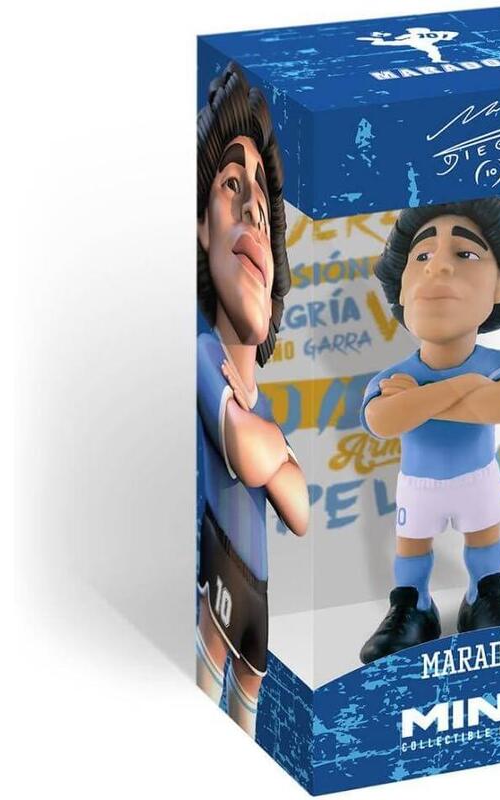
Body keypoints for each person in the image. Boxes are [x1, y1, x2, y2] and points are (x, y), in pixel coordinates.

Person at [358, 198, 500, 664]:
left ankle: (486, 595)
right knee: (411, 548)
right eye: (421, 256)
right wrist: (465, 386)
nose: (438, 267)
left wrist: (417, 400)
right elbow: (382, 421)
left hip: (477, 480)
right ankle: (412, 605)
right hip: (418, 485)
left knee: (485, 540)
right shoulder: (395, 374)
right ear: (402, 288)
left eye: (465, 254)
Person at [196, 62, 309, 735]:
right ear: (200, 227)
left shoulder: (257, 396)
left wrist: (273, 451)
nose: (253, 210)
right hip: (213, 581)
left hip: (258, 602)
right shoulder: (198, 353)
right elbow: (248, 450)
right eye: (232, 185)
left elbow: (301, 508)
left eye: (261, 193)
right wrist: (272, 453)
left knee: (249, 723)